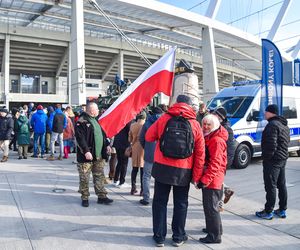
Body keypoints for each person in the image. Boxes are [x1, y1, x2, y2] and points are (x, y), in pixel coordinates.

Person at [145, 94, 205, 247]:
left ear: (176, 103)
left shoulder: (164, 118)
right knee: (181, 203)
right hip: (183, 170)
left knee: (159, 202)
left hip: (162, 168)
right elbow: (200, 153)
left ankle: (159, 237)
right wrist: (196, 177)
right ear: (190, 105)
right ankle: (178, 236)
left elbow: (149, 136)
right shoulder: (195, 123)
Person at [75, 102, 113, 207]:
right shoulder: (81, 122)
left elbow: (102, 135)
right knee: (84, 178)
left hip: (99, 155)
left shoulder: (96, 121)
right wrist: (86, 151)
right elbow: (80, 138)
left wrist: (107, 144)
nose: (98, 111)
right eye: (96, 109)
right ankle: (85, 197)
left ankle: (102, 196)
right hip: (87, 156)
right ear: (91, 110)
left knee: (99, 176)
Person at [197, 114, 228, 244]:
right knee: (212, 207)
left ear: (214, 125)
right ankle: (215, 229)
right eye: (204, 124)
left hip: (213, 180)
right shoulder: (211, 137)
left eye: (208, 124)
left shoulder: (216, 140)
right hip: (213, 178)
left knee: (211, 208)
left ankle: (214, 236)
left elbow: (215, 163)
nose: (205, 126)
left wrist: (205, 180)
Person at [256, 104, 290, 220]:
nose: (264, 114)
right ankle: (282, 210)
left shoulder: (272, 125)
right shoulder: (283, 125)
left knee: (271, 186)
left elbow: (271, 145)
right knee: (281, 185)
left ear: (271, 113)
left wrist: (266, 158)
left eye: (266, 112)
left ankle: (268, 211)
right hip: (282, 159)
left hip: (273, 161)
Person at [213, 107, 237, 206]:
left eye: (215, 114)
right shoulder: (215, 126)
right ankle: (226, 191)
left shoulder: (226, 129)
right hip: (216, 160)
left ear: (220, 117)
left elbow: (230, 149)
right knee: (214, 181)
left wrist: (227, 163)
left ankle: (219, 204)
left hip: (222, 161)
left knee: (216, 183)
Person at [139, 106, 163, 205]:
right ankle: (158, 199)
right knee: (160, 178)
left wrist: (147, 147)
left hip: (149, 154)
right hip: (161, 155)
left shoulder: (147, 123)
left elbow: (141, 138)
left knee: (146, 177)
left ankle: (146, 198)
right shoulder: (164, 122)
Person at [129, 111, 146, 195]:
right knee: (143, 170)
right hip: (144, 148)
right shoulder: (145, 125)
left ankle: (133, 188)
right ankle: (142, 190)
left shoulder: (132, 125)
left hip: (135, 147)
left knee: (134, 169)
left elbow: (130, 139)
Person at [113, 121, 132, 188]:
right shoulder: (127, 121)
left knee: (120, 162)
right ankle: (122, 181)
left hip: (117, 142)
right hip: (124, 144)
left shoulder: (119, 120)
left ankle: (116, 179)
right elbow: (129, 132)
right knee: (124, 163)